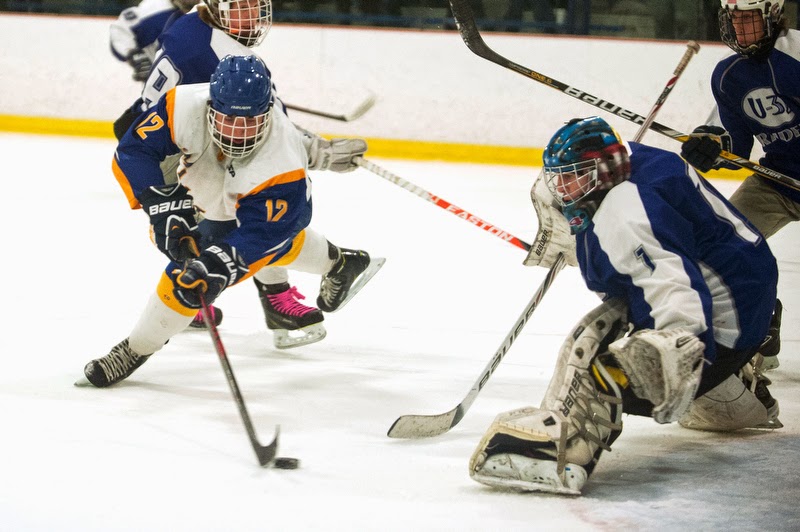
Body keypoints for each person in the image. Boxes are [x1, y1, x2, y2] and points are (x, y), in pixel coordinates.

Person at [469, 116, 782, 495]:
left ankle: (563, 453)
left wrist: (678, 342)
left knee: (599, 355)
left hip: (727, 310)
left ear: (606, 169)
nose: (564, 188)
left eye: (576, 175)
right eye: (560, 176)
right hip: (747, 282)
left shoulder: (629, 213)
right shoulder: (630, 160)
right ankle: (743, 390)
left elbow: (673, 283)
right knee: (622, 321)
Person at [82, 55, 382, 387]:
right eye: (228, 119)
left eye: (250, 122)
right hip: (207, 176)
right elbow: (134, 151)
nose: (238, 134)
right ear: (211, 105)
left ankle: (133, 350)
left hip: (263, 208)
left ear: (268, 113)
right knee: (185, 238)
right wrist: (162, 203)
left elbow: (265, 234)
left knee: (188, 279)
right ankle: (340, 264)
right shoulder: (182, 104)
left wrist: (222, 265)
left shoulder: (282, 164)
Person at [680, 0, 792, 370]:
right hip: (777, 184)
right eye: (737, 19)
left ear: (773, 16)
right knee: (720, 246)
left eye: (751, 19)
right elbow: (733, 142)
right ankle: (761, 326)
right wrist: (711, 146)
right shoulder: (728, 74)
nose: (742, 28)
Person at [109, 0, 199, 82]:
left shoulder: (210, 9)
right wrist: (132, 53)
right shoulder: (152, 9)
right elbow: (121, 29)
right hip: (162, 88)